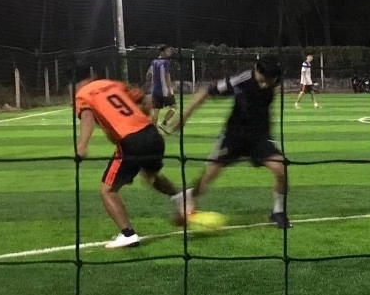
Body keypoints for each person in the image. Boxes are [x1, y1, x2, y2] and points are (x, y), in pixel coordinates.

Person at [74, 66, 186, 249]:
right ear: (92, 75)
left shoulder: (82, 95)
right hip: (152, 134)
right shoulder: (111, 84)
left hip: (131, 141)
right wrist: (144, 114)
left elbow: (87, 117)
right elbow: (144, 98)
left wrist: (82, 146)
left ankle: (128, 235)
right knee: (151, 177)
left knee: (107, 191)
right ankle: (180, 197)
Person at [174, 59, 292, 230]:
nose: (267, 83)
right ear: (256, 70)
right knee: (207, 178)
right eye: (264, 78)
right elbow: (206, 91)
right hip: (234, 137)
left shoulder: (275, 79)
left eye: (271, 79)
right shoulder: (242, 80)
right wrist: (184, 116)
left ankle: (278, 211)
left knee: (281, 169)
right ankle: (187, 197)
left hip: (259, 138)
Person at [146, 45, 177, 131]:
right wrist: (169, 88)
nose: (169, 53)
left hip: (155, 90)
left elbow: (148, 75)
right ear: (162, 52)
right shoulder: (165, 62)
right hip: (165, 90)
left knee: (155, 111)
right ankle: (164, 124)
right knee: (173, 107)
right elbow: (167, 75)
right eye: (168, 51)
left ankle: (153, 130)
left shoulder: (154, 62)